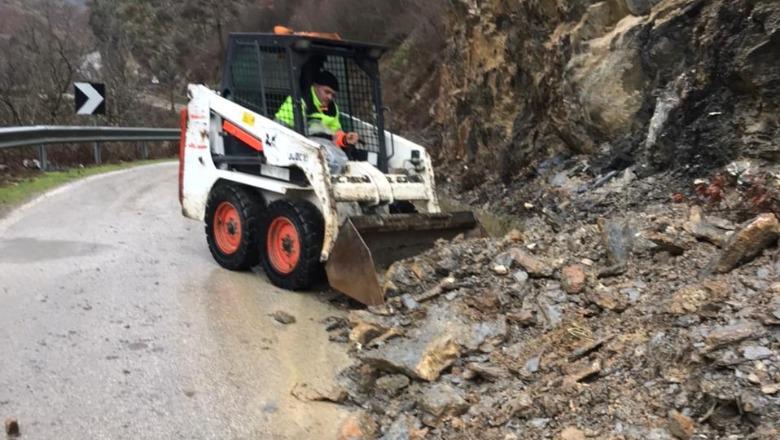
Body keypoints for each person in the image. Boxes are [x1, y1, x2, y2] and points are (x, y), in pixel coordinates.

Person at [274, 70, 359, 149]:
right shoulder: (298, 101)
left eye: (333, 95)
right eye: (327, 92)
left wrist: (345, 139)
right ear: (315, 86)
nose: (330, 97)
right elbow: (278, 127)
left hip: (321, 151)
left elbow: (336, 135)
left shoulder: (333, 109)